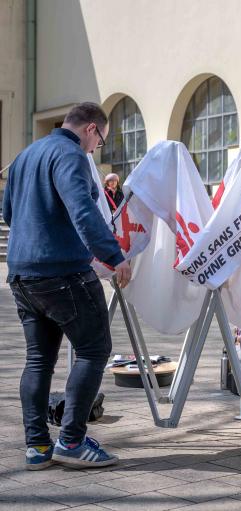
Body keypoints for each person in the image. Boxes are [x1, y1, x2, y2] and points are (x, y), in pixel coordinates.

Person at [3, 102, 132, 470]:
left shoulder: (26, 155)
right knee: (94, 348)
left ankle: (37, 447)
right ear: (91, 129)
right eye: (100, 142)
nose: (95, 150)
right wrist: (114, 255)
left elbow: (9, 212)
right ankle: (72, 441)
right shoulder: (70, 155)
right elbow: (83, 211)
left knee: (38, 359)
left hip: (22, 274)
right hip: (62, 273)